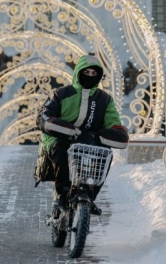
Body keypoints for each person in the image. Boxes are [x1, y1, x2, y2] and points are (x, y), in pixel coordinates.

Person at [35, 55, 129, 215]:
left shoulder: (104, 99)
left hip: (89, 140)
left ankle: (90, 196)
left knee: (105, 153)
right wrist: (71, 132)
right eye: (87, 72)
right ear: (78, 72)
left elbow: (114, 122)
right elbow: (44, 117)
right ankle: (62, 194)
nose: (90, 76)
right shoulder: (61, 94)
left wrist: (107, 135)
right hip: (60, 137)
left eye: (94, 73)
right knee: (61, 147)